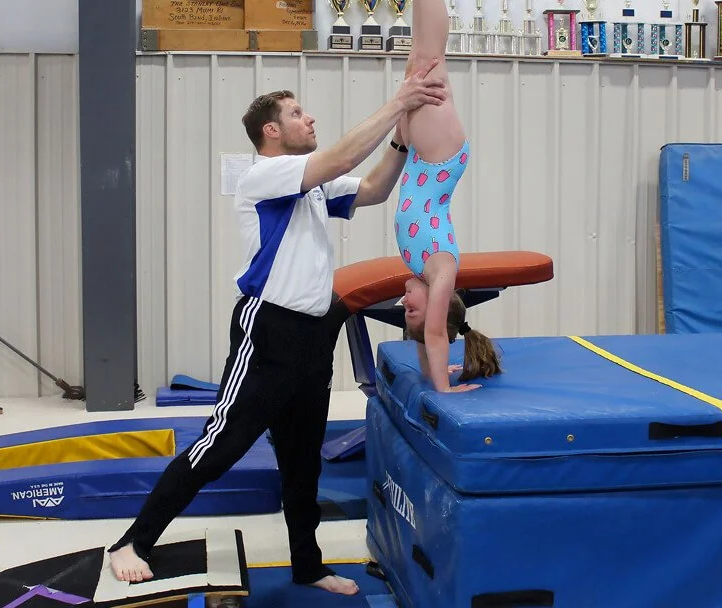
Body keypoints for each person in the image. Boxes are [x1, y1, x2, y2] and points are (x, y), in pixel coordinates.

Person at [106, 61, 449, 597]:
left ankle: (307, 565)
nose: (308, 118)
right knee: (218, 448)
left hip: (313, 338)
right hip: (266, 331)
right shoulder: (262, 175)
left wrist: (401, 142)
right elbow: (340, 155)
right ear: (271, 130)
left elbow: (378, 187)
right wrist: (399, 103)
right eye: (296, 113)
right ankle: (132, 543)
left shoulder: (313, 184)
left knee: (301, 460)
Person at [394, 0, 502, 392]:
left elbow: (428, 338)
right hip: (440, 159)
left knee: (415, 59)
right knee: (429, 58)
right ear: (440, 306)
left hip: (421, 157)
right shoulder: (441, 272)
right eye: (413, 311)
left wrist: (429, 370)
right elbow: (437, 335)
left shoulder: (419, 271)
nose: (404, 305)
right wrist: (444, 387)